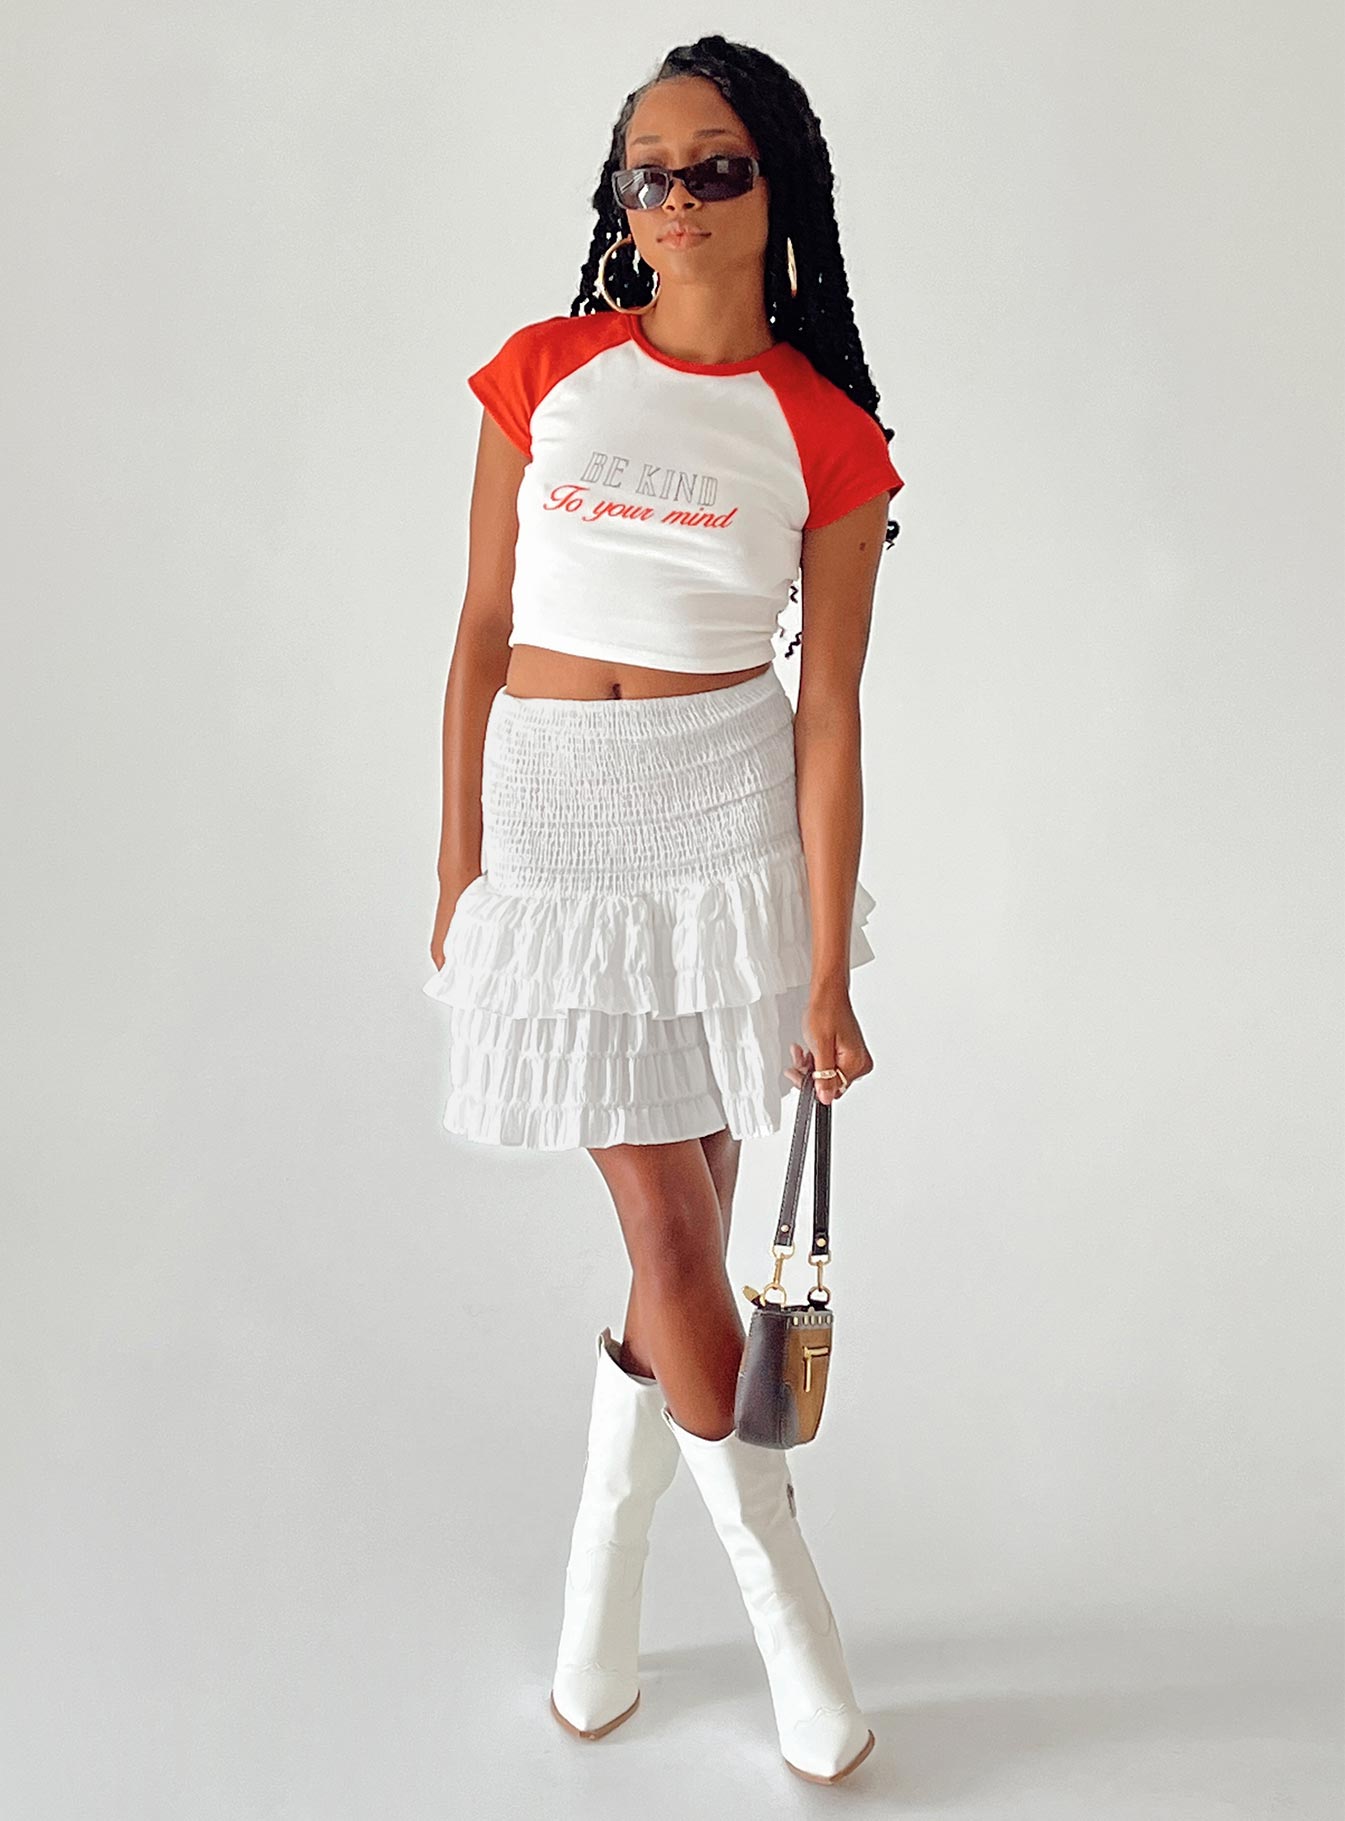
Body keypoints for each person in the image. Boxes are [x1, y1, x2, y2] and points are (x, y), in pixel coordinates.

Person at [422, 34, 904, 1787]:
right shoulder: (543, 371)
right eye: (648, 171)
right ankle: (792, 1619)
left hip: (725, 819)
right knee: (676, 1236)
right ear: (616, 201)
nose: (676, 198)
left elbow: (830, 713)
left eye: (715, 167)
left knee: (674, 1239)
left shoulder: (824, 435)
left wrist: (826, 971)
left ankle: (596, 1610)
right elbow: (481, 632)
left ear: (778, 187)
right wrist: (458, 861)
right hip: (557, 827)